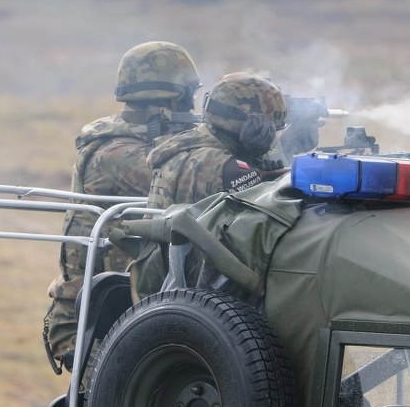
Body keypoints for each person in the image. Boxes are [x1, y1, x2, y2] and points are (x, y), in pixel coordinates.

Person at [43, 41, 201, 373]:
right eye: (188, 97)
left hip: (123, 309)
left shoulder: (147, 142)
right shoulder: (115, 153)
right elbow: (187, 180)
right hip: (91, 324)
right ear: (168, 101)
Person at [145, 71, 288, 211]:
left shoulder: (185, 144)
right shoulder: (218, 164)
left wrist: (256, 165)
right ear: (252, 128)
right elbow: (272, 203)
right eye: (271, 134)